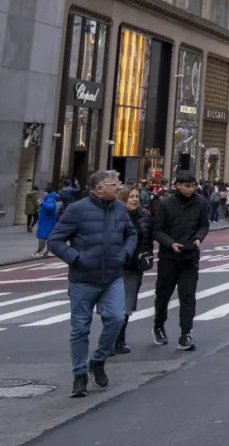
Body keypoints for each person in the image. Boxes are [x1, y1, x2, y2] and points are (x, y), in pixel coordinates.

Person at [47, 170, 136, 398]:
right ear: (99, 187)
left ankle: (98, 360)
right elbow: (55, 240)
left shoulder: (118, 208)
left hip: (112, 277)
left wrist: (124, 254)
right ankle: (79, 375)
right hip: (83, 280)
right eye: (113, 184)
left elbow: (131, 234)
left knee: (117, 318)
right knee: (80, 329)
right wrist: (76, 258)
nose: (118, 187)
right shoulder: (76, 210)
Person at [152, 170, 210, 351]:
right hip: (169, 257)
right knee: (163, 295)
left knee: (188, 296)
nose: (190, 189)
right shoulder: (166, 204)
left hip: (190, 256)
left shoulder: (200, 202)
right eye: (187, 186)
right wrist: (170, 244)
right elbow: (157, 230)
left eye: (193, 186)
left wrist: (199, 238)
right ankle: (158, 326)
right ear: (177, 185)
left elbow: (204, 224)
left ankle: (185, 334)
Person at [115, 184, 153, 354]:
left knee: (126, 306)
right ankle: (110, 338)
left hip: (134, 267)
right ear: (123, 199)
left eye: (137, 196)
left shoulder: (144, 216)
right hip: (115, 267)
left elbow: (149, 239)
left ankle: (119, 339)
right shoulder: (114, 216)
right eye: (131, 196)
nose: (135, 199)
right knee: (112, 307)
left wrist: (147, 255)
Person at [34, 185, 59, 257]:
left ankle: (40, 251)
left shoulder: (50, 199)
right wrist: (40, 210)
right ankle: (48, 251)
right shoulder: (49, 199)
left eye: (45, 192)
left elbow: (50, 208)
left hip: (46, 221)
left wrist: (41, 203)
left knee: (43, 236)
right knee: (49, 237)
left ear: (48, 192)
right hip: (47, 221)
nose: (44, 193)